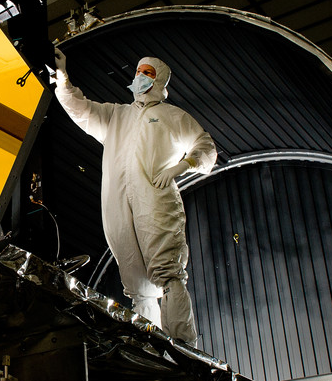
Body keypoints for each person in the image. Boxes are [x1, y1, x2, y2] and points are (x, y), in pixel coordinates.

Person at [52, 49, 217, 345]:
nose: (139, 77)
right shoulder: (118, 116)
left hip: (155, 201)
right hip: (117, 203)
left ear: (160, 81)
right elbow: (81, 109)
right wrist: (63, 79)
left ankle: (185, 348)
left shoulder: (171, 116)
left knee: (168, 273)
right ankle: (149, 346)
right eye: (139, 71)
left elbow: (205, 146)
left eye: (148, 73)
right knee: (137, 284)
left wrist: (183, 165)